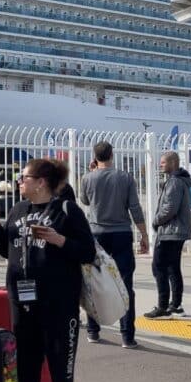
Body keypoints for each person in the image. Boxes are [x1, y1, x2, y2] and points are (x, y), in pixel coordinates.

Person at [0, 158, 96, 382]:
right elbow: (8, 250)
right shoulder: (18, 210)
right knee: (26, 371)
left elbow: (88, 252)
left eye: (23, 178)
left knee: (61, 374)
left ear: (41, 182)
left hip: (58, 306)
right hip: (23, 304)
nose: (18, 182)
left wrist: (60, 240)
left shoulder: (66, 211)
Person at [80, 141, 149, 347]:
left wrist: (92, 174)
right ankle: (127, 335)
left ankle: (93, 331)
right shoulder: (125, 178)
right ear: (112, 155)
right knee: (125, 284)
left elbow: (85, 201)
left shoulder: (87, 178)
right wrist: (144, 234)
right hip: (121, 233)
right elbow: (135, 208)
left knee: (95, 283)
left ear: (95, 156)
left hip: (96, 234)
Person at [145, 151, 191, 319]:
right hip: (177, 232)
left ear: (173, 163)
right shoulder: (181, 181)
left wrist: (156, 221)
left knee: (158, 266)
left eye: (163, 162)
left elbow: (169, 209)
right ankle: (176, 305)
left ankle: (163, 306)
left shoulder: (174, 182)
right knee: (173, 268)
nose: (161, 165)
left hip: (170, 232)